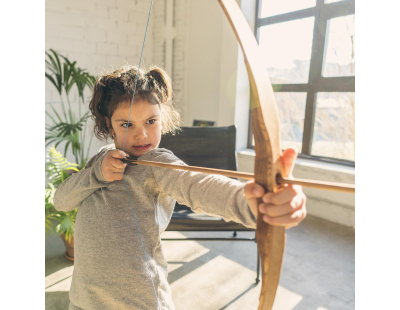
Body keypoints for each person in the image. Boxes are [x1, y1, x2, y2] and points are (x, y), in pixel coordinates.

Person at [54, 65, 306, 310]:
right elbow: (61, 200)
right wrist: (97, 174)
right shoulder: (101, 158)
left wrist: (253, 204)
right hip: (83, 299)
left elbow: (196, 185)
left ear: (162, 119)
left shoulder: (158, 162)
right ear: (109, 126)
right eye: (127, 125)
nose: (142, 135)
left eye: (151, 121)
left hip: (139, 301)